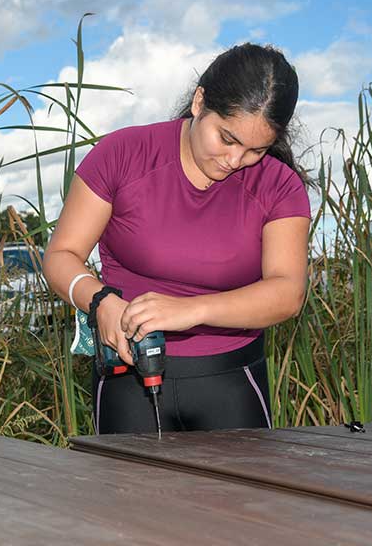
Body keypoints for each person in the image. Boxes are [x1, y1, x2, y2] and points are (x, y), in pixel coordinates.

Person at [42, 43, 311, 434]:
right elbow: (61, 255)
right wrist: (99, 301)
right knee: (126, 497)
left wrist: (190, 310)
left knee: (245, 498)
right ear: (200, 101)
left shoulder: (279, 185)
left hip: (231, 380)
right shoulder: (122, 154)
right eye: (227, 138)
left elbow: (288, 293)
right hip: (128, 373)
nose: (235, 161)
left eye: (257, 149)